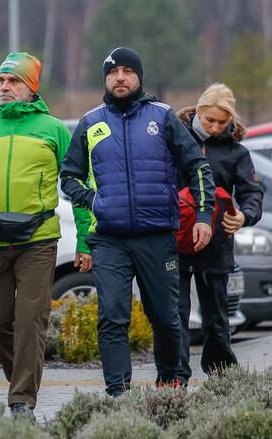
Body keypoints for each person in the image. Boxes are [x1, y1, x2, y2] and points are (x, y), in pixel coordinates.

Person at [60, 47, 215, 395]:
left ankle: (170, 380)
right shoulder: (91, 122)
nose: (120, 78)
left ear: (139, 77)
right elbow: (69, 177)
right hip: (110, 239)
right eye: (113, 72)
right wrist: (94, 200)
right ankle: (118, 392)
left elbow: (197, 167)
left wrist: (204, 215)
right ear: (105, 79)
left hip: (157, 236)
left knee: (165, 316)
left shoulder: (162, 116)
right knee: (112, 315)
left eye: (128, 71)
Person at [0, 52, 91, 421]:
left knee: (31, 320)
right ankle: (24, 376)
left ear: (32, 87)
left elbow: (78, 185)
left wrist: (86, 239)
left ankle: (21, 401)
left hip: (39, 240)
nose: (5, 87)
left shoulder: (54, 129)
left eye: (14, 81)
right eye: (1, 81)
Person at [175, 83, 263, 386]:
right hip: (177, 241)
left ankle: (223, 377)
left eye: (221, 122)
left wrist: (244, 216)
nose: (214, 127)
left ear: (231, 120)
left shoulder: (237, 152)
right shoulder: (174, 139)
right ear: (197, 111)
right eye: (209, 119)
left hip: (217, 243)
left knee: (216, 318)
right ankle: (175, 377)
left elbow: (252, 193)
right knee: (176, 314)